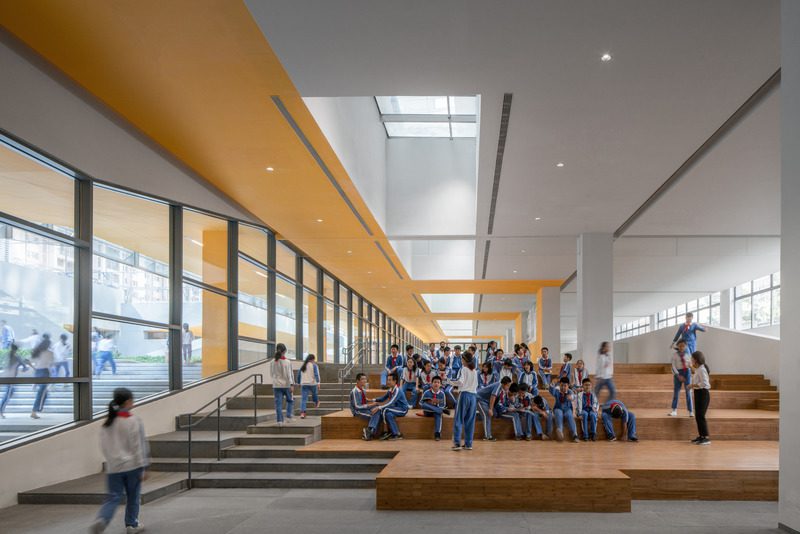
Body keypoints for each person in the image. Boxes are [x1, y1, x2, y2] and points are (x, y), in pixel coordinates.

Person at [90, 388, 149, 534]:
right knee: (133, 497)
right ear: (128, 401)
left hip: (113, 468)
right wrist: (143, 466)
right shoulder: (134, 421)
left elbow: (104, 446)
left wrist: (112, 461)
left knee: (113, 497)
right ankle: (131, 524)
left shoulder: (107, 423)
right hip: (132, 467)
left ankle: (103, 518)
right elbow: (138, 446)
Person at [365, 372, 407, 441]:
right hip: (395, 408)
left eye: (390, 380)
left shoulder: (397, 390)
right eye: (388, 380)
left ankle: (386, 431)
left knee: (385, 410)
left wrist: (378, 407)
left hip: (402, 409)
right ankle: (397, 434)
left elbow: (390, 403)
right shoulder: (390, 390)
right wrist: (371, 400)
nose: (388, 382)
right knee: (389, 414)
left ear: (395, 381)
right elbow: (383, 398)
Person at [449, 351, 478, 451]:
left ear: (465, 360)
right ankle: (468, 444)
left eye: (462, 359)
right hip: (473, 396)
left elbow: (460, 382)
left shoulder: (464, 369)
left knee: (458, 419)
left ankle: (457, 443)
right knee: (470, 421)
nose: (461, 360)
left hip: (464, 395)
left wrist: (449, 381)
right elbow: (476, 385)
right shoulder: (475, 371)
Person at [476, 376, 512, 441]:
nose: (508, 387)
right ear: (504, 384)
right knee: (487, 415)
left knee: (493, 414)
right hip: (480, 399)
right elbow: (493, 396)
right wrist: (490, 409)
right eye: (508, 385)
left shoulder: (502, 388)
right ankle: (487, 436)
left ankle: (479, 415)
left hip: (486, 401)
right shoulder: (499, 385)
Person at [1, 344, 29, 419]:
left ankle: (1, 410)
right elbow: (25, 368)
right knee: (7, 395)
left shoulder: (7, 355)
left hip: (5, 377)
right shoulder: (17, 357)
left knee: (10, 392)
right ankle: (1, 412)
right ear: (16, 350)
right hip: (11, 378)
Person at [30, 334, 54, 419]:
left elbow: (30, 361)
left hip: (38, 372)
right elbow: (51, 364)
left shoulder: (38, 351)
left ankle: (36, 410)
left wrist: (35, 369)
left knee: (44, 392)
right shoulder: (50, 352)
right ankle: (34, 411)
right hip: (45, 372)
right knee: (42, 393)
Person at [270, 343, 294, 425]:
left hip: (276, 385)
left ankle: (279, 421)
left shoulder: (272, 362)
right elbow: (289, 374)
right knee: (290, 401)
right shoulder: (287, 362)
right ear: (285, 351)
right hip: (286, 385)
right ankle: (288, 416)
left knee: (278, 404)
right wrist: (291, 384)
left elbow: (271, 374)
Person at [690, 351, 711, 445]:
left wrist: (693, 385)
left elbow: (705, 384)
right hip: (698, 393)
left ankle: (706, 438)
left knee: (701, 416)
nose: (691, 360)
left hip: (703, 394)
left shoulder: (702, 369)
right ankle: (701, 436)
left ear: (696, 360)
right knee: (698, 415)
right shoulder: (698, 369)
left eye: (692, 359)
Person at [669, 340, 694, 417]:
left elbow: (690, 363)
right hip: (678, 373)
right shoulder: (674, 355)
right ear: (677, 346)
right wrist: (678, 375)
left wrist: (691, 367)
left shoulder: (688, 354)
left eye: (683, 346)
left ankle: (690, 411)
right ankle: (674, 410)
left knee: (688, 392)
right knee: (676, 391)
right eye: (680, 346)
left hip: (687, 372)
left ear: (686, 346)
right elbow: (673, 366)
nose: (681, 347)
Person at [549, 377, 578, 442]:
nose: (563, 387)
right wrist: (553, 383)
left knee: (570, 416)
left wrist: (571, 397)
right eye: (561, 385)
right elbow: (551, 390)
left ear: (568, 386)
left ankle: (574, 435)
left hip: (567, 409)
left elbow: (574, 396)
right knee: (558, 414)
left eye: (565, 386)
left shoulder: (570, 392)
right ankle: (560, 431)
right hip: (558, 408)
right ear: (559, 385)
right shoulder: (556, 391)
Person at [419, 376, 448, 441]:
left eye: (438, 382)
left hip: (436, 412)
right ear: (431, 384)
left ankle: (437, 433)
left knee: (438, 414)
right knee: (425, 405)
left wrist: (436, 404)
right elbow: (421, 403)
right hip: (427, 411)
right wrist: (431, 404)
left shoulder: (442, 394)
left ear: (440, 384)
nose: (436, 384)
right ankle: (437, 410)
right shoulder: (427, 392)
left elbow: (443, 405)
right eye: (435, 382)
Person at [297, 354, 320, 419]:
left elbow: (299, 375)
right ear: (312, 359)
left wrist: (298, 383)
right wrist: (318, 382)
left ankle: (302, 413)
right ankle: (316, 401)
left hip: (304, 384)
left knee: (303, 399)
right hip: (312, 384)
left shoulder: (303, 366)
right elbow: (316, 374)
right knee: (314, 394)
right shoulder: (314, 365)